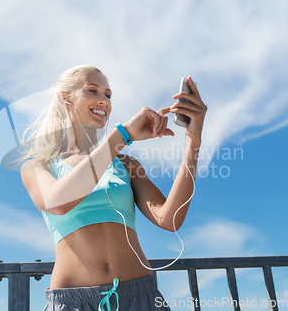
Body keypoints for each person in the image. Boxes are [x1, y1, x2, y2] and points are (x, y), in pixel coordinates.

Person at [19, 64, 207, 310]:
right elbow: (57, 202)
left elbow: (169, 219)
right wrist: (122, 136)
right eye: (93, 90)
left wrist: (194, 139)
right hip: (73, 303)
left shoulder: (126, 164)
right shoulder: (38, 165)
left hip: (141, 297)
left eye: (108, 95)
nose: (103, 100)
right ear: (63, 98)